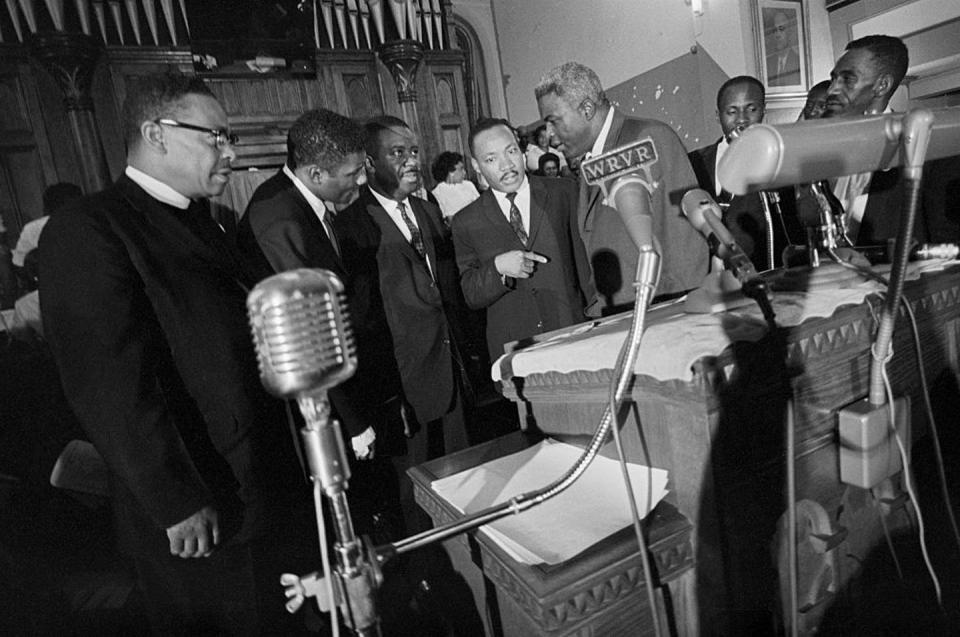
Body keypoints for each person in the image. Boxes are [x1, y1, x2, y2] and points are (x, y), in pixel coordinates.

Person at [39, 73, 312, 635]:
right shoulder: (90, 227)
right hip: (198, 509)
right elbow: (107, 379)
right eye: (215, 136)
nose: (230, 152)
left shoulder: (207, 223)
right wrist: (175, 499)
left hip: (259, 484)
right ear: (156, 133)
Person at [334, 115, 472, 534]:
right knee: (415, 500)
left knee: (465, 485)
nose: (412, 161)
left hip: (451, 370)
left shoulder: (429, 212)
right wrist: (384, 393)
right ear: (370, 162)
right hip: (403, 385)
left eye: (414, 152)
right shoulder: (350, 226)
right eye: (398, 153)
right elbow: (358, 319)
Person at [237, 108, 377, 462]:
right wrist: (355, 423)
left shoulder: (300, 200)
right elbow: (310, 332)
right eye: (353, 173)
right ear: (316, 173)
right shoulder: (279, 220)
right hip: (319, 412)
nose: (361, 181)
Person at [535, 61, 708, 314]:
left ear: (586, 108)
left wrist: (677, 317)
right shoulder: (591, 159)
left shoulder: (648, 137)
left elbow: (686, 243)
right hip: (619, 314)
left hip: (657, 316)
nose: (548, 134)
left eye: (554, 121)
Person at [451, 118, 593, 363]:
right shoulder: (465, 221)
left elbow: (586, 263)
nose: (506, 165)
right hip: (517, 348)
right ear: (476, 165)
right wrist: (498, 269)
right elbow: (471, 294)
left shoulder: (564, 192)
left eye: (511, 151)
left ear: (521, 149)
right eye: (491, 159)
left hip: (573, 333)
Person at [688, 76, 802, 270]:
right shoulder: (694, 161)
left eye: (751, 110)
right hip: (707, 279)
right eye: (731, 112)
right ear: (718, 116)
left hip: (764, 273)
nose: (742, 119)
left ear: (764, 110)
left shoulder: (782, 159)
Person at [822, 35, 913, 245]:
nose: (831, 90)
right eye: (833, 79)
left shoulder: (918, 150)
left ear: (882, 85)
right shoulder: (825, 147)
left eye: (847, 79)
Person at [430, 151, 480, 221]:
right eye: (461, 169)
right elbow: (447, 220)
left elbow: (481, 207)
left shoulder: (469, 185)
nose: (465, 173)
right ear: (451, 172)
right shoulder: (437, 192)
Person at [766, 10, 801, 87]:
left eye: (781, 29)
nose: (777, 35)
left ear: (790, 32)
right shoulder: (767, 64)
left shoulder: (798, 61)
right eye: (774, 30)